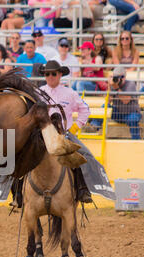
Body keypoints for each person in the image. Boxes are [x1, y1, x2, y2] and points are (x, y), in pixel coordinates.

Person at [39, 60, 92, 203]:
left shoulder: (70, 93)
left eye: (53, 74)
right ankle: (18, 193)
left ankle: (82, 189)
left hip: (64, 134)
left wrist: (75, 127)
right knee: (22, 153)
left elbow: (85, 110)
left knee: (84, 155)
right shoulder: (39, 93)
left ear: (60, 74)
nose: (50, 76)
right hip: (42, 134)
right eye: (47, 74)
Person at [109, 67, 141, 139]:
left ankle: (136, 141)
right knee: (104, 106)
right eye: (116, 77)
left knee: (132, 119)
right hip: (118, 114)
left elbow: (126, 101)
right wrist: (109, 86)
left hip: (132, 113)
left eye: (121, 77)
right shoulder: (113, 84)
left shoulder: (130, 84)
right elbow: (108, 101)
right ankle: (94, 126)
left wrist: (116, 87)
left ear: (125, 77)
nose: (119, 79)